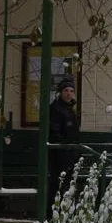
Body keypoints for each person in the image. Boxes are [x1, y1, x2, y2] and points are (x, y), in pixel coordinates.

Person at [47, 79, 81, 209]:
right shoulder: (56, 109)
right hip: (60, 155)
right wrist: (64, 149)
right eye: (66, 90)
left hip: (71, 155)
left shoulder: (69, 109)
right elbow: (55, 132)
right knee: (58, 185)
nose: (69, 93)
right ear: (60, 93)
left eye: (71, 91)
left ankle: (65, 212)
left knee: (67, 185)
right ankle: (53, 213)